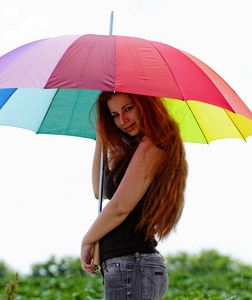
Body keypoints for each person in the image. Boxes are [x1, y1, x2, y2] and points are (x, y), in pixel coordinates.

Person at [81, 92, 188, 299]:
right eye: (114, 115)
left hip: (132, 265)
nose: (122, 120)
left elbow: (120, 206)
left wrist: (87, 239)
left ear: (145, 106)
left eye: (128, 108)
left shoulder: (153, 145)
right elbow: (100, 191)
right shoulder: (137, 148)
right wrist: (100, 139)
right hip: (129, 267)